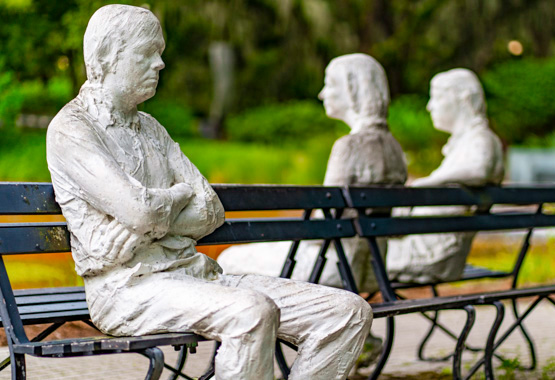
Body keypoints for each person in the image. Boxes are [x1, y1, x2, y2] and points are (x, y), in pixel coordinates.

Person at [45, 5, 371, 380]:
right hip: (128, 289)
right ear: (107, 58)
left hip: (196, 274)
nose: (160, 64)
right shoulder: (72, 130)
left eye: (160, 52)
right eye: (147, 53)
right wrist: (173, 198)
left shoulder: (151, 128)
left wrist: (149, 217)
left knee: (348, 312)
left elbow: (211, 210)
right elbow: (141, 212)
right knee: (252, 312)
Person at [217, 53, 408, 293]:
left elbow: (319, 230)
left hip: (335, 267)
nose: (322, 94)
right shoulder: (394, 148)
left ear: (352, 89)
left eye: (329, 84)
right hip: (374, 268)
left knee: (229, 258)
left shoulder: (350, 146)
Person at [388, 68, 504, 284]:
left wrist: (425, 184)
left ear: (464, 99)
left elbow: (479, 169)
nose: (430, 106)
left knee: (344, 259)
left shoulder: (480, 140)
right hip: (434, 250)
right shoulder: (471, 142)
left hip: (430, 255)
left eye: (437, 97)